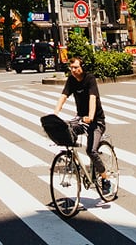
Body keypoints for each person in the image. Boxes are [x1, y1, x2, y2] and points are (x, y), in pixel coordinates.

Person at [52, 56, 112, 191]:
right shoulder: (71, 80)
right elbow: (64, 96)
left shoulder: (89, 79)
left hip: (96, 121)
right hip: (80, 118)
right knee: (66, 129)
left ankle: (105, 178)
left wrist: (90, 116)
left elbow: (92, 98)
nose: (73, 70)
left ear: (82, 67)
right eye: (71, 68)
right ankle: (73, 161)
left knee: (91, 151)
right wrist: (55, 113)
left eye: (76, 67)